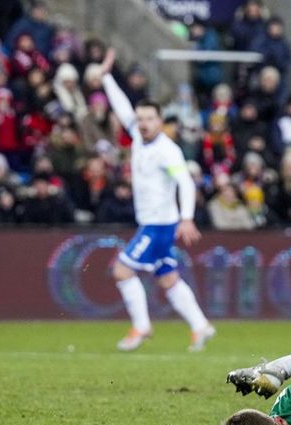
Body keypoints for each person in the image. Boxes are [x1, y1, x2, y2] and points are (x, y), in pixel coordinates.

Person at [100, 49, 215, 352]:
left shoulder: (168, 150)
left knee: (122, 271)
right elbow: (122, 106)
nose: (143, 124)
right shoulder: (138, 136)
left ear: (160, 120)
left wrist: (187, 217)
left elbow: (184, 182)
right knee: (168, 279)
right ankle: (200, 326)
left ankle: (141, 326)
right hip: (155, 223)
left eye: (149, 119)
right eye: (140, 119)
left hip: (158, 226)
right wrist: (106, 77)